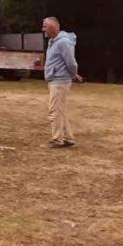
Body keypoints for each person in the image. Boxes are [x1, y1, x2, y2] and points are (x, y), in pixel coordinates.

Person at [41, 17, 83, 149]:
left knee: (55, 111)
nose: (43, 29)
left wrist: (73, 74)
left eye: (45, 26)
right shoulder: (53, 41)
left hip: (59, 81)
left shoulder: (63, 42)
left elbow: (71, 62)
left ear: (53, 28)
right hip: (56, 79)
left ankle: (57, 140)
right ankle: (67, 138)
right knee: (60, 110)